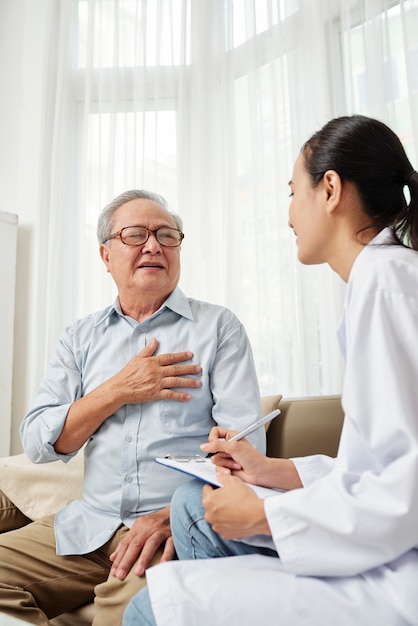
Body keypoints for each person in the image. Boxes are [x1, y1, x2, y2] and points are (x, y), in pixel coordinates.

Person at [123, 115, 418, 626]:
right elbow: (376, 464)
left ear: (329, 190)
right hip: (381, 532)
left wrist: (265, 514)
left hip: (398, 574)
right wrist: (270, 472)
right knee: (195, 498)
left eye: (290, 192)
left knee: (149, 611)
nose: (287, 216)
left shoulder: (387, 284)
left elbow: (407, 485)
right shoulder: (381, 279)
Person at [0, 189, 265, 626]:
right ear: (106, 255)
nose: (154, 246)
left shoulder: (219, 328)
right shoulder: (79, 337)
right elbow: (38, 441)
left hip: (165, 530)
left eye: (167, 235)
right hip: (89, 524)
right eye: (136, 234)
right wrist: (115, 391)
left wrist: (174, 517)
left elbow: (245, 450)